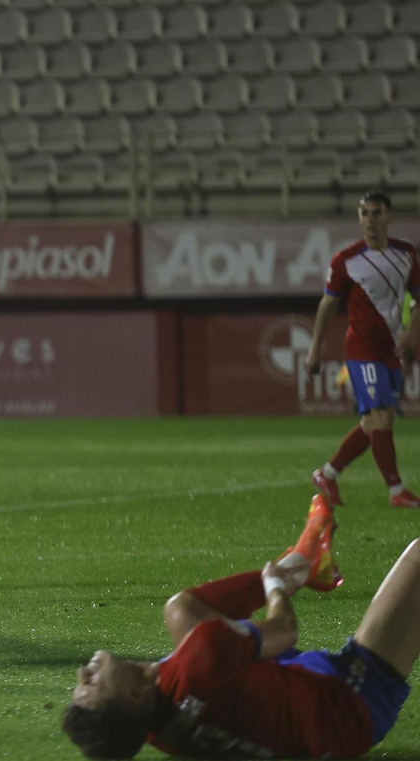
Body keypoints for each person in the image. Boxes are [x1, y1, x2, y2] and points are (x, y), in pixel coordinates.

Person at [60, 495, 420, 759]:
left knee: (183, 614)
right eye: (90, 684)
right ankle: (297, 567)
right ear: (135, 696)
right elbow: (284, 630)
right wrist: (274, 588)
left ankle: (306, 561)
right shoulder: (200, 660)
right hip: (351, 702)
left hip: (297, 704)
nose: (82, 672)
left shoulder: (153, 729)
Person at [306, 191, 420, 508]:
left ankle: (327, 474)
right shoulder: (346, 261)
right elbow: (327, 304)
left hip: (391, 348)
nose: (370, 220)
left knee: (374, 424)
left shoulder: (407, 254)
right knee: (382, 416)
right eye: (364, 213)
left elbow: (418, 298)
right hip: (362, 348)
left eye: (376, 213)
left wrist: (411, 336)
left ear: (389, 217)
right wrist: (315, 348)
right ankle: (397, 491)